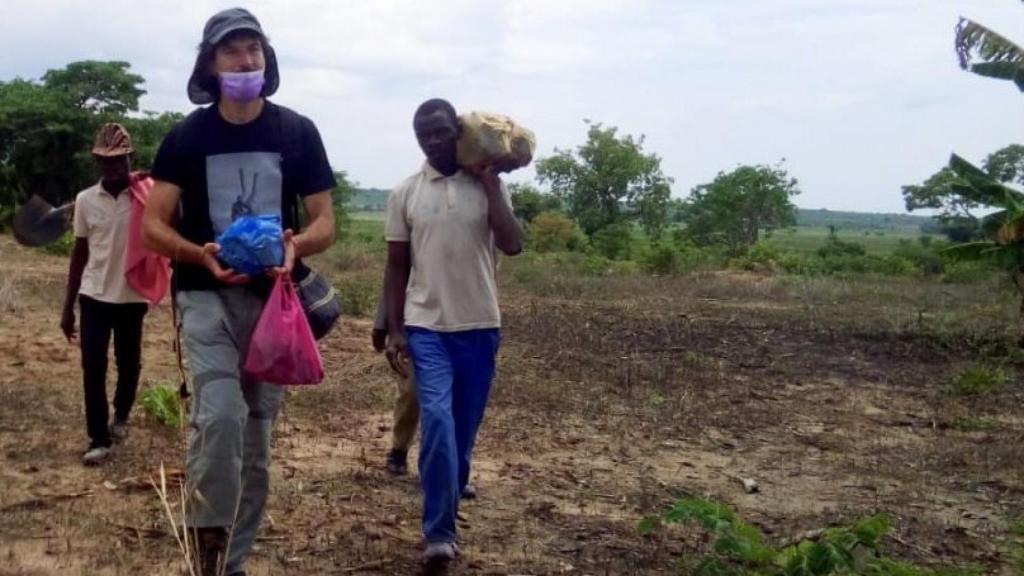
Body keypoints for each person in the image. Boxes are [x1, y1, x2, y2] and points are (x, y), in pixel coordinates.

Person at [142, 8, 336, 576]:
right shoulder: (187, 137)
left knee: (256, 437)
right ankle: (205, 544)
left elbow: (324, 220)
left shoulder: (296, 131)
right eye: (232, 50)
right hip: (205, 295)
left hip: (272, 306)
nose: (245, 59)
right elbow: (154, 224)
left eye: (254, 49)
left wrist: (298, 248)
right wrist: (198, 251)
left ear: (266, 59)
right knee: (220, 416)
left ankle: (232, 561)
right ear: (210, 63)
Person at [385, 98, 524, 566]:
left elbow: (513, 244)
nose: (433, 140)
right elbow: (396, 264)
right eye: (424, 134)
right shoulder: (406, 192)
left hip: (481, 325)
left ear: (458, 133)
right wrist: (392, 327)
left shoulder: (488, 186)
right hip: (427, 327)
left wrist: (489, 182)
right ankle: (439, 533)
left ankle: (450, 491)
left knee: (462, 433)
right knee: (438, 425)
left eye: (442, 132)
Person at [62, 123, 149, 465]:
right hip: (94, 296)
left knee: (129, 364)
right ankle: (98, 437)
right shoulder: (86, 200)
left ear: (131, 160)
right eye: (106, 163)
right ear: (97, 164)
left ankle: (122, 415)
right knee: (92, 367)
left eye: (120, 162)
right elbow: (79, 253)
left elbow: (174, 217)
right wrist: (67, 307)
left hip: (132, 297)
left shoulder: (146, 196)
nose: (113, 169)